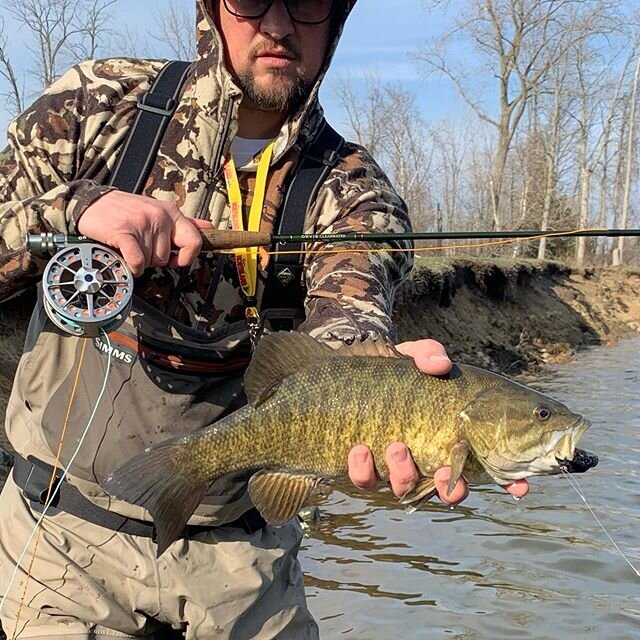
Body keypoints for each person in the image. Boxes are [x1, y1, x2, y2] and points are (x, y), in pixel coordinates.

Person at [0, 0, 528, 638]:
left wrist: (381, 383)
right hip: (59, 541)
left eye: (307, 3)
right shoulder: (97, 103)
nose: (279, 25)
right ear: (209, 9)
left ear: (335, 21)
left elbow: (348, 317)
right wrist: (77, 210)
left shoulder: (359, 191)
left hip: (243, 563)